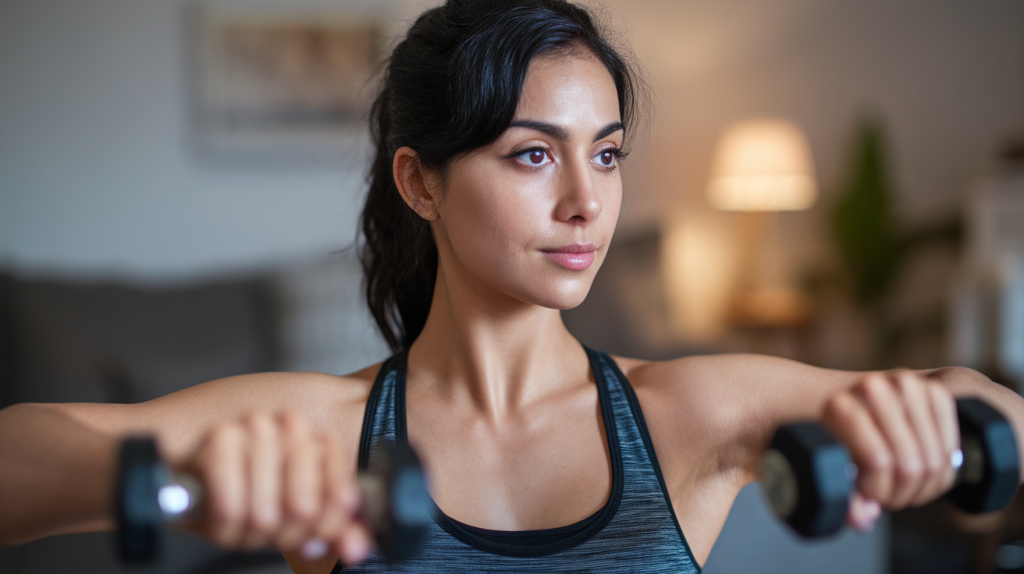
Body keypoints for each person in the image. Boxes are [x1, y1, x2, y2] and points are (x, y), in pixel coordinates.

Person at [1, 0, 1022, 572]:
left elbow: (989, 408)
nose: (588, 202)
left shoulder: (688, 412)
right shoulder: (320, 431)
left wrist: (918, 414)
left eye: (609, 155)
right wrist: (183, 481)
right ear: (420, 182)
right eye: (534, 157)